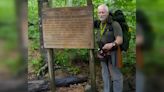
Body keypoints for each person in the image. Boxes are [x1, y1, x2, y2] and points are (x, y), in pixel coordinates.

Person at [94, 4, 123, 92]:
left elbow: (120, 39)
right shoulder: (99, 24)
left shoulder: (115, 24)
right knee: (105, 75)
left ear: (107, 13)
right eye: (99, 13)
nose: (101, 14)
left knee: (116, 75)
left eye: (103, 12)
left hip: (113, 53)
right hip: (103, 53)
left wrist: (112, 44)